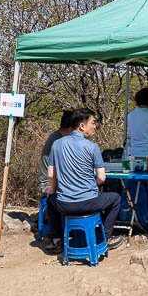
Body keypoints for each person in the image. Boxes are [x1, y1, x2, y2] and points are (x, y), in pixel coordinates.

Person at [47, 108, 123, 252]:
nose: (94, 126)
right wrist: (90, 186)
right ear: (82, 126)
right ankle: (105, 237)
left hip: (64, 204)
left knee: (51, 200)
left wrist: (53, 189)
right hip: (88, 202)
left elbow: (50, 175)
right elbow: (101, 177)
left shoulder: (57, 144)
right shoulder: (92, 147)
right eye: (92, 123)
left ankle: (57, 239)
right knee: (115, 199)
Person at [39, 110, 73, 247]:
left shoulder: (59, 137)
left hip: (53, 180)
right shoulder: (58, 141)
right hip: (48, 183)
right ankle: (59, 236)